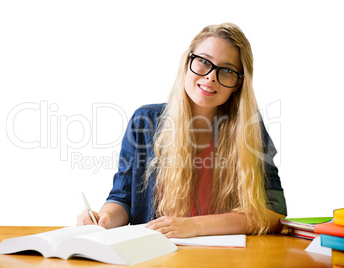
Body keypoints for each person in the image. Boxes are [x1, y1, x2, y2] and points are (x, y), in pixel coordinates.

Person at [77, 22, 287, 238]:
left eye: (226, 70)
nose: (211, 77)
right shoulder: (145, 122)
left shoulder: (249, 127)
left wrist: (195, 226)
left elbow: (275, 213)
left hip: (225, 257)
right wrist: (106, 219)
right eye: (204, 62)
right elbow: (122, 201)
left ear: (238, 84)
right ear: (188, 62)